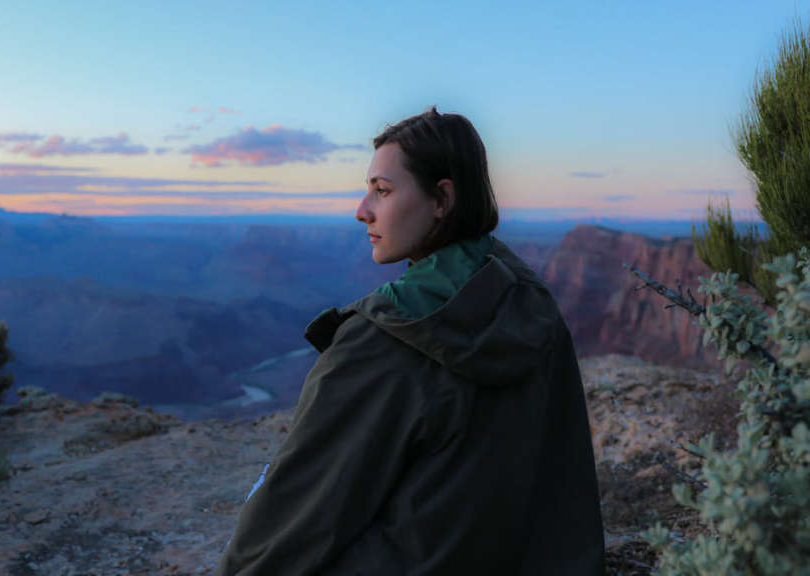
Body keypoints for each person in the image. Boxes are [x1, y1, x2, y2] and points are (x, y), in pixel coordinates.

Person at [215, 107, 605, 575]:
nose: (362, 210)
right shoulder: (531, 305)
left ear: (441, 199)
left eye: (382, 190)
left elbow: (288, 529)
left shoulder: (380, 340)